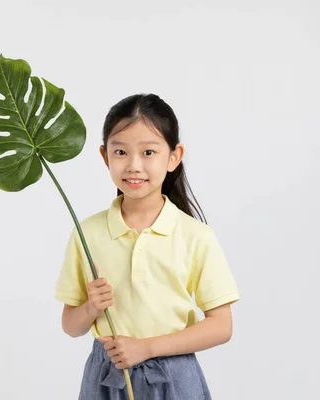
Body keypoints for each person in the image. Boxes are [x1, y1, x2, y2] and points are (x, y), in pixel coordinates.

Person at [55, 93, 240, 400]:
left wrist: (146, 348)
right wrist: (91, 307)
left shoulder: (196, 236)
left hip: (174, 376)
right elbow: (70, 326)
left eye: (149, 152)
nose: (134, 165)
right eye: (121, 152)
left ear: (173, 156)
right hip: (107, 376)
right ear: (105, 157)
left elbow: (222, 326)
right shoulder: (87, 233)